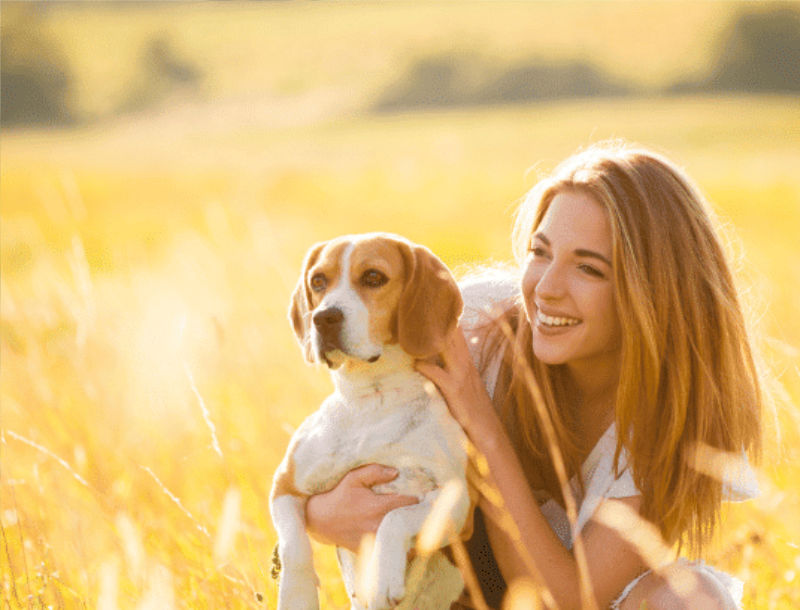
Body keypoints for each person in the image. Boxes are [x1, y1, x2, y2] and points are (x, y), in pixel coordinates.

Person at [305, 142, 762, 609]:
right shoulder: (471, 327)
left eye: (588, 268)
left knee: (694, 600)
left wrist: (481, 422)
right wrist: (314, 514)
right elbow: (332, 458)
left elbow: (562, 600)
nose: (545, 289)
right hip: (438, 597)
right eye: (539, 252)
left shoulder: (673, 419)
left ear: (654, 293)